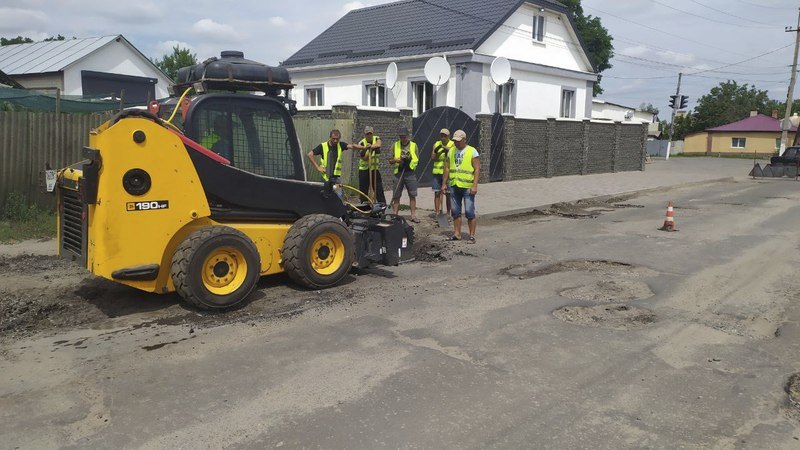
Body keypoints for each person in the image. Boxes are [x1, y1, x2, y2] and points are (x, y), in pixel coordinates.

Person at [441, 129, 480, 243]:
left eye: (458, 141)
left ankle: (471, 236)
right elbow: (447, 167)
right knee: (456, 212)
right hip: (454, 185)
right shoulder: (451, 151)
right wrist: (444, 183)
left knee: (469, 212)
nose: (456, 143)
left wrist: (475, 186)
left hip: (467, 187)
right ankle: (457, 234)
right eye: (455, 141)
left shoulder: (472, 151)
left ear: (464, 140)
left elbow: (477, 169)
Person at [306, 129, 356, 198]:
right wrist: (317, 167)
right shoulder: (322, 146)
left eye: (337, 139)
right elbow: (309, 154)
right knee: (325, 196)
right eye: (333, 139)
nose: (335, 141)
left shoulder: (341, 145)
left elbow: (352, 146)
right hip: (325, 178)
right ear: (330, 137)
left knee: (338, 195)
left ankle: (337, 208)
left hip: (336, 179)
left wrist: (364, 147)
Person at [388, 127, 420, 223]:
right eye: (401, 137)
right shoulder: (395, 145)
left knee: (412, 194)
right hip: (398, 173)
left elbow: (417, 159)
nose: (403, 139)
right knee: (396, 195)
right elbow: (390, 160)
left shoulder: (414, 146)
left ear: (408, 136)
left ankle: (413, 215)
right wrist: (397, 160)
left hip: (410, 173)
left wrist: (409, 162)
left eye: (404, 137)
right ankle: (395, 215)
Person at [352, 126, 386, 204]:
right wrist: (366, 148)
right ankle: (364, 208)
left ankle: (382, 206)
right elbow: (365, 158)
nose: (369, 135)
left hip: (374, 169)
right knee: (363, 191)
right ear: (365, 134)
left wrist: (371, 147)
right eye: (367, 134)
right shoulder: (362, 143)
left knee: (378, 189)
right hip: (364, 170)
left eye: (370, 133)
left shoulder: (376, 138)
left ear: (372, 133)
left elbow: (379, 144)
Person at [431, 128, 455, 217]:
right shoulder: (436, 144)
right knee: (437, 193)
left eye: (445, 136)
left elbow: (453, 153)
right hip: (437, 173)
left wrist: (445, 148)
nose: (443, 137)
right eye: (441, 135)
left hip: (447, 173)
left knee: (448, 194)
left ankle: (448, 213)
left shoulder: (452, 144)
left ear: (449, 136)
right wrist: (437, 151)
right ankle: (437, 213)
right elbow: (433, 157)